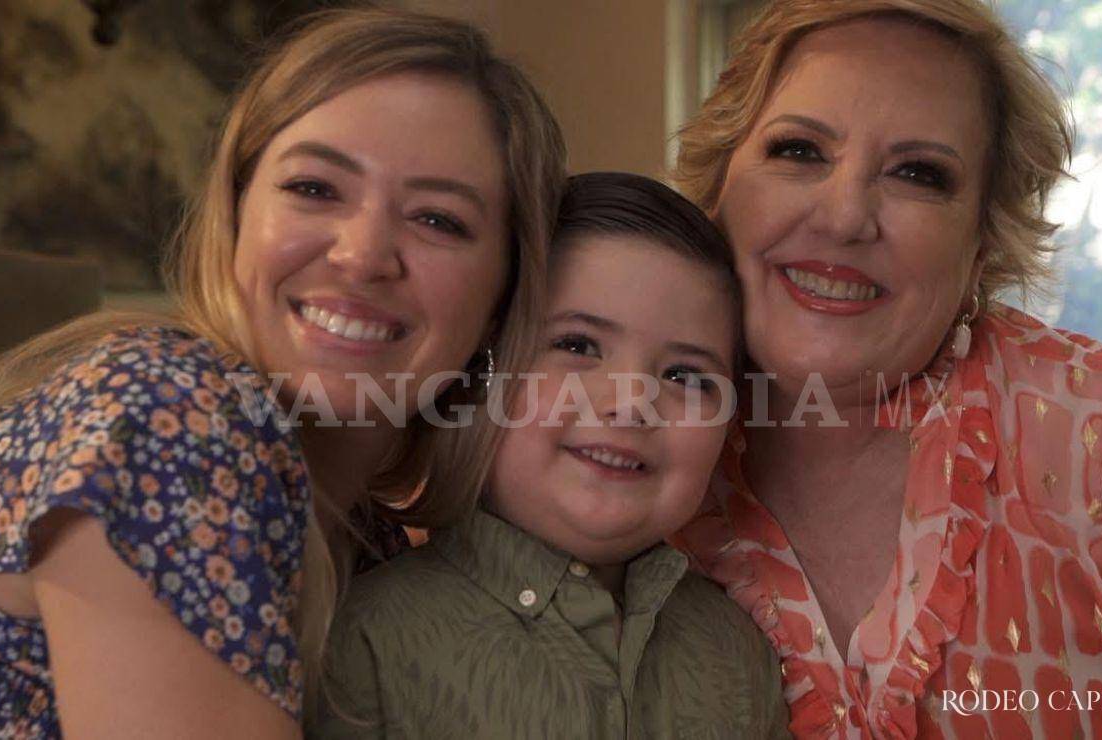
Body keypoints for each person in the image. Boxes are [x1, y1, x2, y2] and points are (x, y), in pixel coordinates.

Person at [0, 7, 565, 737]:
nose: (362, 255)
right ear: (235, 213)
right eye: (315, 188)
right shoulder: (171, 413)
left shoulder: (373, 544)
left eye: (437, 220)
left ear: (502, 301)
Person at [670, 1, 1102, 737]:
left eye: (918, 173)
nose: (844, 217)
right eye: (800, 150)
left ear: (983, 244)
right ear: (717, 187)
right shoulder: (601, 439)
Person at [312, 172, 788, 738]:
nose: (631, 403)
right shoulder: (365, 643)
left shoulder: (741, 652)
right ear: (477, 370)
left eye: (686, 375)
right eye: (577, 345)